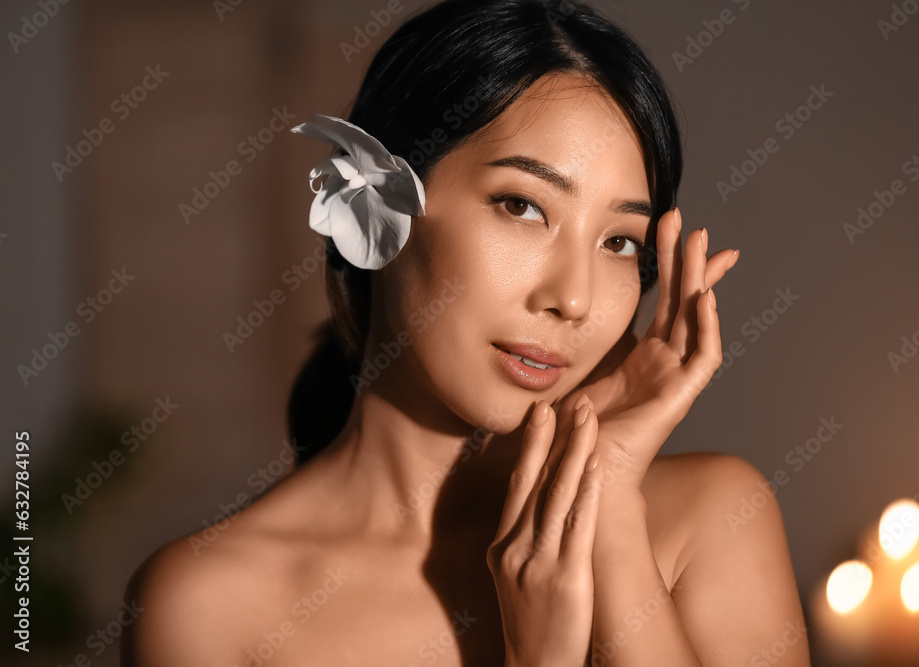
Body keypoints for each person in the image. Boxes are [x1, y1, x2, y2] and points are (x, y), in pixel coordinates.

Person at [123, 0, 809, 664]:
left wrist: (614, 519)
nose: (573, 298)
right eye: (522, 206)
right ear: (378, 209)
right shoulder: (208, 606)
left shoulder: (713, 517)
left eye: (620, 242)